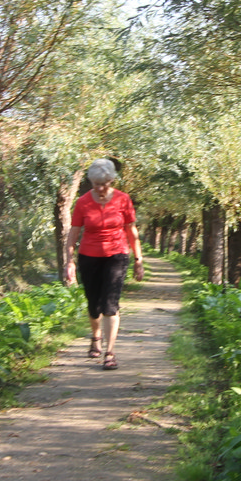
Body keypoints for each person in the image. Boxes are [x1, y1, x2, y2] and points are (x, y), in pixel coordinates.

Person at [61, 158, 144, 369]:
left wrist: (138, 260)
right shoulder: (83, 202)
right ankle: (96, 337)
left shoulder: (123, 200)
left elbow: (131, 231)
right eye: (96, 184)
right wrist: (69, 261)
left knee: (110, 304)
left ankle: (110, 352)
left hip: (117, 255)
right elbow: (73, 233)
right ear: (91, 181)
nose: (100, 188)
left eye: (104, 184)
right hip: (89, 256)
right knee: (94, 304)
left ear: (112, 180)